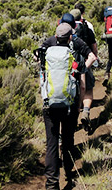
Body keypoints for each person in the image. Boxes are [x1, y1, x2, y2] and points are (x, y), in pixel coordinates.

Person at [40, 22, 96, 189]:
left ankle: (51, 184)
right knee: (67, 139)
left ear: (56, 37)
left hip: (49, 105)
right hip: (69, 105)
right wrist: (79, 105)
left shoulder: (47, 55)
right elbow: (82, 83)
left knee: (51, 143)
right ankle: (69, 174)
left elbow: (42, 80)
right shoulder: (72, 56)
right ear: (70, 37)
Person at [69, 7, 99, 133]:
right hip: (85, 62)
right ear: (81, 16)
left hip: (70, 65)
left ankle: (73, 120)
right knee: (87, 89)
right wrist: (94, 60)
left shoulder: (66, 30)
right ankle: (85, 112)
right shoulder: (87, 27)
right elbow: (93, 46)